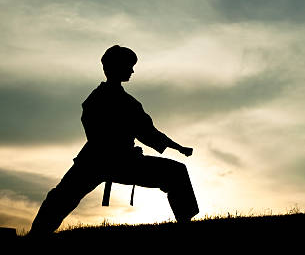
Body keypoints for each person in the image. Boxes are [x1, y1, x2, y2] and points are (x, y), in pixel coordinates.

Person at [28, 45, 199, 236]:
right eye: (129, 66)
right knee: (61, 197)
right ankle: (37, 236)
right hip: (102, 160)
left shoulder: (127, 102)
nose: (132, 70)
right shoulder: (100, 100)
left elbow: (147, 132)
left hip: (109, 160)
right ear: (115, 67)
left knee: (176, 173)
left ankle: (185, 225)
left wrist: (177, 147)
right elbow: (100, 131)